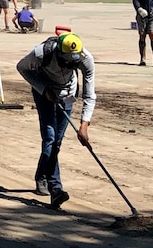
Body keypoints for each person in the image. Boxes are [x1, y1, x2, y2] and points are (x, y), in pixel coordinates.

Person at [17, 31, 95, 210]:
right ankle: (56, 189)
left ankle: (41, 175)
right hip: (44, 93)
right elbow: (22, 67)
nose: (69, 65)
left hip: (68, 95)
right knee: (50, 138)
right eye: (66, 61)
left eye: (73, 62)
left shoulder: (86, 59)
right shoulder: (41, 53)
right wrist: (43, 89)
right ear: (58, 52)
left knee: (56, 143)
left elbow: (90, 94)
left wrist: (84, 124)